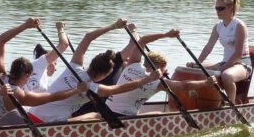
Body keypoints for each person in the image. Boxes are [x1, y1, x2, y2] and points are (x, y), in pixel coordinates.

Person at [10, 19, 163, 125]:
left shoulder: (74, 66)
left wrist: (114, 25)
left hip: (30, 115)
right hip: (48, 125)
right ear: (106, 74)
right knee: (96, 116)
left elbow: (88, 37)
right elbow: (121, 88)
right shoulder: (94, 88)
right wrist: (147, 80)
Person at [0, 19, 87, 131]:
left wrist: (25, 25)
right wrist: (76, 90)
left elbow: (0, 40)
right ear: (27, 75)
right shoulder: (19, 95)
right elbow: (52, 97)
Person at [77, 47, 219, 119]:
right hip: (124, 118)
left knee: (97, 115)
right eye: (165, 67)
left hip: (105, 110)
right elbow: (184, 85)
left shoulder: (132, 65)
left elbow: (140, 43)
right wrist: (205, 83)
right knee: (158, 113)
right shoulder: (159, 83)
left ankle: (64, 123)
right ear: (161, 65)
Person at [196, 0, 251, 104]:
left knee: (226, 76)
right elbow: (208, 47)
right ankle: (206, 102)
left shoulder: (239, 25)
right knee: (198, 69)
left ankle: (231, 105)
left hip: (242, 65)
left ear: (231, 8)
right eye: (216, 8)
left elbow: (238, 54)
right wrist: (198, 62)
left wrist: (223, 68)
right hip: (226, 63)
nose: (218, 11)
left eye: (221, 8)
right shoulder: (218, 27)